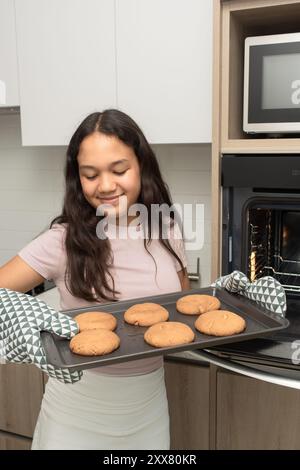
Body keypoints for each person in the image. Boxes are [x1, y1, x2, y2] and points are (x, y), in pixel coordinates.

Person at [0, 109, 190, 450]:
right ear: (77, 178)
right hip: (77, 413)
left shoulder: (167, 228)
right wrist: (25, 328)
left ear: (142, 166)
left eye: (119, 170)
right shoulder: (63, 241)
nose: (105, 186)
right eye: (90, 175)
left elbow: (182, 305)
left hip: (149, 410)